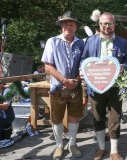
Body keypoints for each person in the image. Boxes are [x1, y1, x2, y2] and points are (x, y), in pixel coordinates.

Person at [81, 12, 127, 160]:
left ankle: (114, 150)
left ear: (114, 25)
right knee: (97, 118)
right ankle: (101, 148)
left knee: (114, 119)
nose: (107, 26)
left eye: (110, 23)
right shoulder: (90, 41)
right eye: (104, 23)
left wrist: (124, 66)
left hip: (115, 87)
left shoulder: (123, 42)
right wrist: (82, 70)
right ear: (99, 25)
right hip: (95, 87)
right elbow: (84, 60)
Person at [41, 11, 87, 160]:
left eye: (71, 24)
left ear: (76, 27)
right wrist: (63, 80)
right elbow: (48, 66)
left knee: (74, 117)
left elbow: (84, 64)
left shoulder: (82, 43)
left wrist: (75, 81)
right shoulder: (52, 41)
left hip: (75, 87)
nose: (69, 26)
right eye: (66, 24)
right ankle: (59, 145)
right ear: (61, 26)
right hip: (57, 88)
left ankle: (72, 144)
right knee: (56, 118)